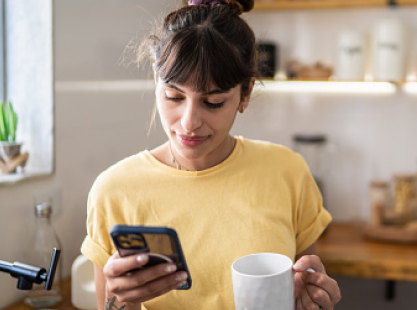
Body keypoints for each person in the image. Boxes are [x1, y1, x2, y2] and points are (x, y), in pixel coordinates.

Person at [81, 0, 341, 309]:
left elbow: (301, 288)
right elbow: (110, 304)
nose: (189, 122)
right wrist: (118, 301)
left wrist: (314, 298)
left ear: (245, 93)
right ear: (155, 79)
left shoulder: (288, 172)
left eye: (213, 102)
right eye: (174, 96)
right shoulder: (114, 190)